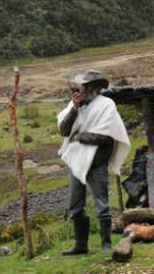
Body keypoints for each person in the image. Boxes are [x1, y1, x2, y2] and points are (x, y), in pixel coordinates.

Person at [57, 69, 130, 255]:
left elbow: (107, 137)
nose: (83, 88)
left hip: (97, 160)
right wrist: (74, 108)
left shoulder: (107, 105)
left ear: (96, 87)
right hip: (76, 160)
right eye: (82, 85)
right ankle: (81, 246)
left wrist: (81, 136)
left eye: (87, 85)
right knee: (75, 206)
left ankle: (106, 244)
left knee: (102, 204)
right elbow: (64, 131)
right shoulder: (75, 105)